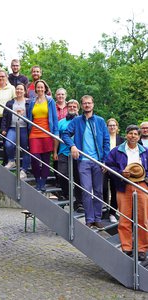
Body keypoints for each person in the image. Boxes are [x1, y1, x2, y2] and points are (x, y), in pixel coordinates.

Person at [62, 95, 110, 229]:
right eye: (85, 103)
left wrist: (105, 161)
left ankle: (98, 218)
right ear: (82, 106)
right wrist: (72, 146)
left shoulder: (100, 121)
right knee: (87, 191)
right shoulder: (77, 121)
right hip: (83, 161)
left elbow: (106, 142)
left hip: (98, 162)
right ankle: (89, 219)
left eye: (89, 103)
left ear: (93, 105)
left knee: (99, 191)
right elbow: (65, 134)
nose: (87, 105)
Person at [105, 125, 148, 261]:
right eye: (131, 133)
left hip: (141, 185)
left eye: (136, 134)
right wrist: (120, 173)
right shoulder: (117, 151)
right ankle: (127, 247)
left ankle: (142, 248)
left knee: (143, 219)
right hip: (123, 185)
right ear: (126, 134)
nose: (133, 136)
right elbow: (109, 165)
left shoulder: (145, 151)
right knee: (124, 218)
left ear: (139, 136)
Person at [27, 79, 59, 191]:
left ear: (45, 88)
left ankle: (43, 182)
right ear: (35, 89)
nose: (40, 89)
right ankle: (37, 179)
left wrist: (55, 133)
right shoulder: (32, 101)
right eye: (38, 87)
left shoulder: (50, 101)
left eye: (42, 87)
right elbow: (29, 117)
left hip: (47, 133)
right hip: (34, 133)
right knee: (34, 158)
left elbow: (55, 119)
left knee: (45, 160)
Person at [53, 99, 84, 212]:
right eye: (70, 106)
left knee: (78, 178)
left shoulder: (83, 121)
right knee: (62, 175)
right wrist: (55, 152)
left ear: (78, 108)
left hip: (79, 154)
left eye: (74, 106)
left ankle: (79, 202)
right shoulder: (61, 122)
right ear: (67, 108)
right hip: (63, 152)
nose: (72, 108)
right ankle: (66, 194)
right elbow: (56, 138)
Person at [1, 83, 29, 179]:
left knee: (25, 149)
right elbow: (4, 116)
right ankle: (11, 161)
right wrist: (4, 128)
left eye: (21, 89)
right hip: (12, 127)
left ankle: (24, 170)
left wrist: (23, 115)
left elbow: (31, 117)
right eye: (17, 89)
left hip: (24, 128)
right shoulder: (10, 102)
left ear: (24, 91)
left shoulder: (28, 103)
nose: (19, 91)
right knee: (8, 144)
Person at [103, 118, 124, 223]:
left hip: (116, 169)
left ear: (117, 127)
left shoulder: (122, 140)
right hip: (103, 167)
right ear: (107, 127)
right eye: (110, 125)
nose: (112, 127)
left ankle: (112, 213)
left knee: (115, 190)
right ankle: (104, 209)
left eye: (114, 125)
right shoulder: (103, 138)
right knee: (103, 188)